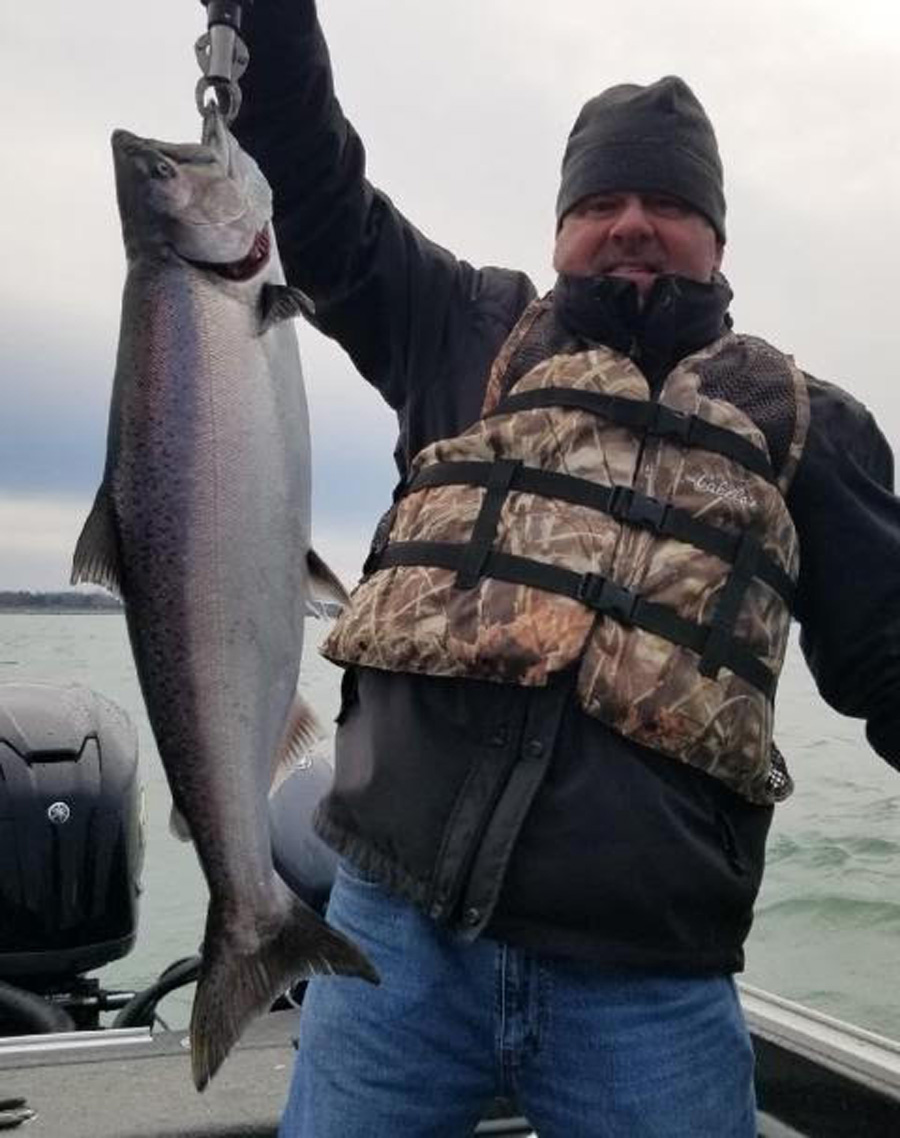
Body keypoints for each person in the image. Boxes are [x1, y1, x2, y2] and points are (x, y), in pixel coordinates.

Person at [234, 3, 900, 1135]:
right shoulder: (461, 327)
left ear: (716, 236)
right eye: (600, 204)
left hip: (648, 985)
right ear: (560, 233)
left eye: (668, 204)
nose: (631, 224)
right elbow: (310, 181)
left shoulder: (804, 425)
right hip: (393, 945)